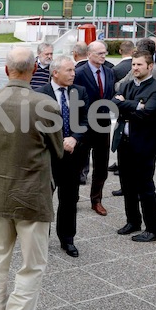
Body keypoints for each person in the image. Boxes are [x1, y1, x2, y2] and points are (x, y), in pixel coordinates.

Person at [0, 47, 63, 310]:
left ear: (6, 69)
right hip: (31, 194)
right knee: (32, 265)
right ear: (35, 69)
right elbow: (58, 149)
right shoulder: (46, 105)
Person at [111, 50, 156, 242]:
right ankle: (133, 222)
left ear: (150, 66)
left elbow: (149, 113)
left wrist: (125, 105)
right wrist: (137, 105)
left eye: (139, 65)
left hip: (144, 145)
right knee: (127, 186)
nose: (135, 68)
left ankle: (154, 229)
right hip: (124, 144)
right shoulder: (126, 85)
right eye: (133, 64)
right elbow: (113, 104)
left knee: (145, 187)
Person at [36, 55, 89, 258]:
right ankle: (41, 240)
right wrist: (58, 142)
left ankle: (67, 239)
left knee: (69, 200)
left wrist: (75, 138)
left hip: (73, 157)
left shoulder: (79, 91)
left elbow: (86, 119)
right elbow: (35, 126)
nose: (73, 74)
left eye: (73, 70)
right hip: (48, 158)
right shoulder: (40, 94)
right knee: (44, 201)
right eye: (69, 70)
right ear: (55, 72)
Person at [74, 40, 115, 216]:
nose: (103, 56)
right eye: (100, 53)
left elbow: (110, 94)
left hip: (103, 125)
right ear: (89, 54)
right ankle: (72, 197)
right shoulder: (79, 73)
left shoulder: (109, 72)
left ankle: (96, 200)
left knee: (101, 164)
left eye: (105, 53)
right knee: (77, 164)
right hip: (84, 125)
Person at [108, 40, 136, 190]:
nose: (136, 67)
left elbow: (114, 90)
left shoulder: (116, 68)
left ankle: (123, 167)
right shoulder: (133, 67)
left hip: (126, 112)